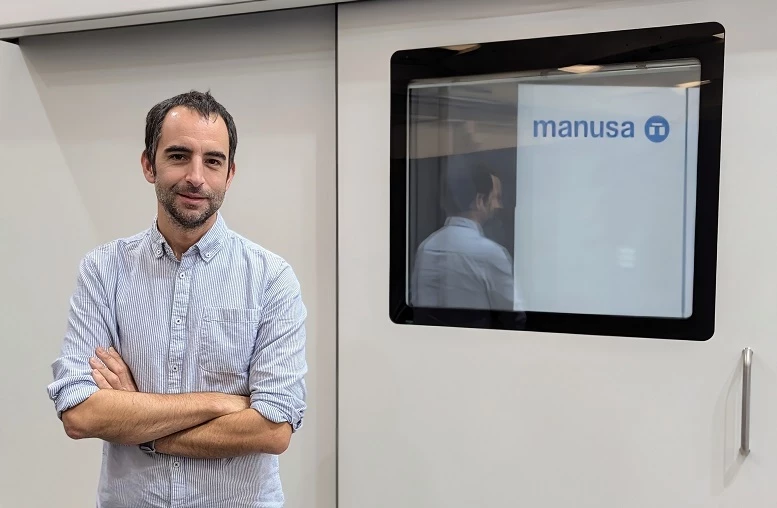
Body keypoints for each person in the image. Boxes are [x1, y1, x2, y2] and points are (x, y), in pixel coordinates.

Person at [46, 90, 307, 507]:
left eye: (213, 161)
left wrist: (136, 418)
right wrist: (221, 404)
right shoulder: (103, 270)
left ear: (230, 174)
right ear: (149, 165)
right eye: (179, 156)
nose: (196, 177)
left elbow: (273, 430)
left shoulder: (271, 279)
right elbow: (80, 413)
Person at [410, 164, 518, 313]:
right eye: (496, 198)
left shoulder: (426, 247)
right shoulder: (492, 253)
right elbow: (513, 314)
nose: (499, 206)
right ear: (480, 200)